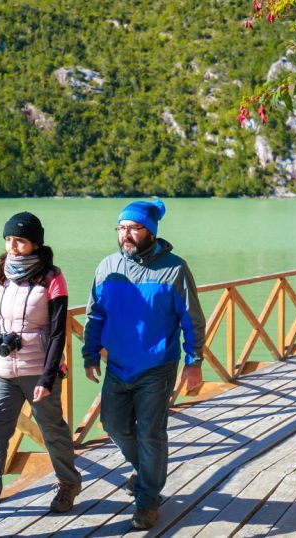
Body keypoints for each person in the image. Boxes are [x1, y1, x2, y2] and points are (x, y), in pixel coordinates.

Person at [0, 212, 81, 538]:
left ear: (35, 243)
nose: (13, 246)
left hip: (39, 371)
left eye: (20, 240)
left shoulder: (52, 278)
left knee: (52, 430)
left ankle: (68, 483)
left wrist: (48, 378)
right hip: (1, 372)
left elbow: (57, 333)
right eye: (8, 239)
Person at [82, 199, 206, 531]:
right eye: (121, 228)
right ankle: (148, 471)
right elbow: (95, 315)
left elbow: (191, 319)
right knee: (113, 425)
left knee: (151, 434)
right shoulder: (107, 267)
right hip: (117, 366)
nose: (125, 234)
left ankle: (147, 500)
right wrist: (90, 354)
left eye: (133, 228)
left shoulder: (174, 269)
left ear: (150, 232)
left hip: (158, 365)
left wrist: (193, 362)